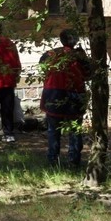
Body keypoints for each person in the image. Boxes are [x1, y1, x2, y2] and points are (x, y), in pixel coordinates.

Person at [40, 30, 92, 167]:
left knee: (53, 130)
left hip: (53, 94)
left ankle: (53, 161)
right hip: (75, 94)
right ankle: (73, 161)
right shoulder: (80, 57)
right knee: (75, 129)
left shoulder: (49, 54)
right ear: (75, 40)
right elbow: (89, 75)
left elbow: (43, 70)